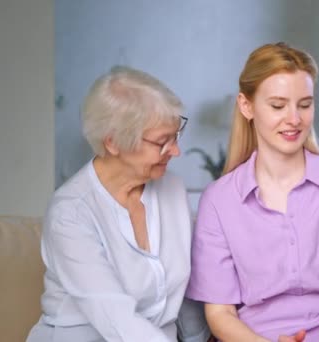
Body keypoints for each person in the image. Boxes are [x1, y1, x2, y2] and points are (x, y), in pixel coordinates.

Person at [186, 42, 319, 342]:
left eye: (304, 104)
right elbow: (220, 314)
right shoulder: (219, 200)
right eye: (278, 105)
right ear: (246, 106)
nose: (294, 119)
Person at [26, 66, 210, 342]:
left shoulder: (172, 189)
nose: (175, 151)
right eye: (162, 141)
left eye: (176, 135)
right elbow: (115, 318)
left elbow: (184, 293)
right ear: (113, 142)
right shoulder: (70, 212)